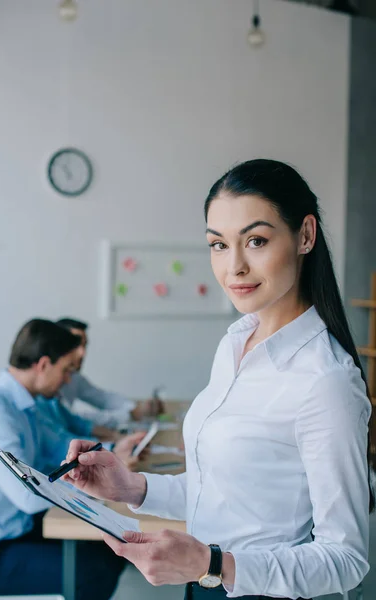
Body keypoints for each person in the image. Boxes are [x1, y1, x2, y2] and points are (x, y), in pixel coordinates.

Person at [64, 159, 375, 600]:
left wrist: (215, 565)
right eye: (218, 245)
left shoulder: (325, 381)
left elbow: (345, 559)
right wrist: (133, 487)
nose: (235, 267)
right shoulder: (235, 343)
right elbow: (225, 489)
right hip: (207, 585)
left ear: (305, 235)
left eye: (256, 240)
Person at [0, 319, 143, 599]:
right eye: (66, 371)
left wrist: (112, 456)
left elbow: (59, 447)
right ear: (42, 365)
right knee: (93, 569)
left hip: (23, 530)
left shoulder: (30, 404)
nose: (68, 381)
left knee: (111, 549)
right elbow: (27, 496)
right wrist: (95, 491)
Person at [57, 317, 164, 427]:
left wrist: (134, 408)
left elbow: (102, 398)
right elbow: (73, 419)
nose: (82, 353)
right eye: (75, 345)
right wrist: (130, 414)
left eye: (84, 345)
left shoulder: (74, 376)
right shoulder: (46, 387)